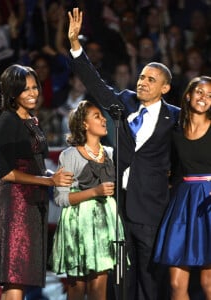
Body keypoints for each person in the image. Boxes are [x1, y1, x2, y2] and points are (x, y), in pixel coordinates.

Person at [67, 8, 180, 300]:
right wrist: (76, 47)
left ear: (165, 87)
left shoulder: (175, 118)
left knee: (150, 274)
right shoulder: (125, 103)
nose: (142, 82)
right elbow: (95, 83)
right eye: (141, 77)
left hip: (152, 206)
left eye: (151, 80)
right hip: (118, 204)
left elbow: (187, 154)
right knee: (120, 274)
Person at [0, 64, 74, 300]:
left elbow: (34, 163)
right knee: (15, 274)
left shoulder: (31, 119)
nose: (32, 93)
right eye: (25, 89)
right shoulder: (8, 120)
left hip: (32, 200)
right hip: (16, 202)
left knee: (19, 277)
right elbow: (6, 172)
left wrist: (52, 177)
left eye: (35, 87)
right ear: (12, 92)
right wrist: (48, 182)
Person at [49, 100, 125, 300]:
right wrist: (95, 191)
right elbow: (60, 198)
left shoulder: (110, 153)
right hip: (78, 223)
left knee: (99, 290)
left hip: (104, 223)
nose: (103, 120)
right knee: (77, 289)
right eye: (97, 116)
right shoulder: (70, 155)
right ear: (84, 124)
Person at [154, 76, 211, 300]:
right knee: (176, 284)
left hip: (208, 202)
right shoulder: (176, 130)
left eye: (209, 95)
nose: (204, 98)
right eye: (199, 92)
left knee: (208, 284)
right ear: (188, 95)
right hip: (183, 202)